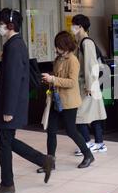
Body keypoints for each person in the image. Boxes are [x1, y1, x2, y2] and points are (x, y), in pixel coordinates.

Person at [0, 8, 54, 193]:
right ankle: (44, 161)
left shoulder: (13, 46)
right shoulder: (16, 44)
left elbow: (13, 79)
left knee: (3, 141)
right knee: (6, 140)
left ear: (9, 25)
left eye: (1, 23)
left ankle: (7, 184)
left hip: (11, 105)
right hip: (13, 103)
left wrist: (9, 109)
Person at [39, 31, 94, 171]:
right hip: (56, 99)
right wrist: (49, 79)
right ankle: (50, 163)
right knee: (51, 130)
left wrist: (53, 79)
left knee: (71, 130)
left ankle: (88, 155)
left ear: (66, 46)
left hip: (69, 101)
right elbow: (57, 77)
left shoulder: (73, 61)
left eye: (58, 46)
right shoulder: (58, 59)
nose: (56, 49)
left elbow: (72, 82)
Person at [71, 14, 107, 155]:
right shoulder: (81, 42)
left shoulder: (86, 43)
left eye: (74, 25)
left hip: (87, 85)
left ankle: (86, 142)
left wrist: (89, 85)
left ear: (80, 27)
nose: (72, 27)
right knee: (94, 114)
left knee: (79, 115)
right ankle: (99, 143)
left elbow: (91, 65)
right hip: (89, 84)